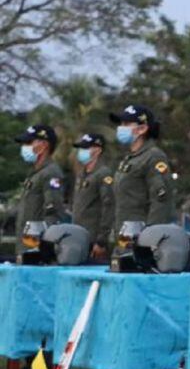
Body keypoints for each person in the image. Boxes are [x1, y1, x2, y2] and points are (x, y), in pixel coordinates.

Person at [110, 104, 176, 235]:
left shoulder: (153, 157)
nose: (121, 128)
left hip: (141, 235)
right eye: (121, 123)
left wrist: (151, 236)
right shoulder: (129, 159)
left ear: (142, 129)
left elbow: (160, 201)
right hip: (124, 234)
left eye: (126, 124)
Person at [13, 124, 65, 255]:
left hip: (36, 248)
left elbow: (54, 213)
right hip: (25, 246)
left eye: (28, 143)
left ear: (44, 145)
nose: (24, 147)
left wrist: (42, 247)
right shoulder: (35, 173)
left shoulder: (51, 173)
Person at [72, 133, 115, 263]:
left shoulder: (103, 174)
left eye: (86, 148)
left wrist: (101, 240)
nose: (81, 151)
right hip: (78, 236)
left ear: (98, 150)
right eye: (81, 148)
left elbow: (109, 207)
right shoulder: (82, 175)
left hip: (94, 239)